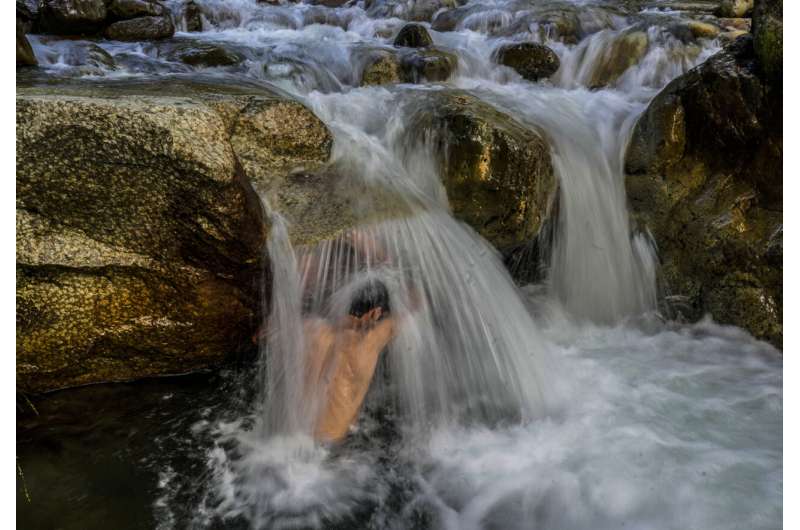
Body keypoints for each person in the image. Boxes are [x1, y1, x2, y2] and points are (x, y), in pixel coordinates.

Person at [304, 280, 396, 443]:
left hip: (296, 439)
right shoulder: (371, 341)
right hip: (334, 444)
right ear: (375, 313)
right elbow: (408, 314)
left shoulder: (312, 329)